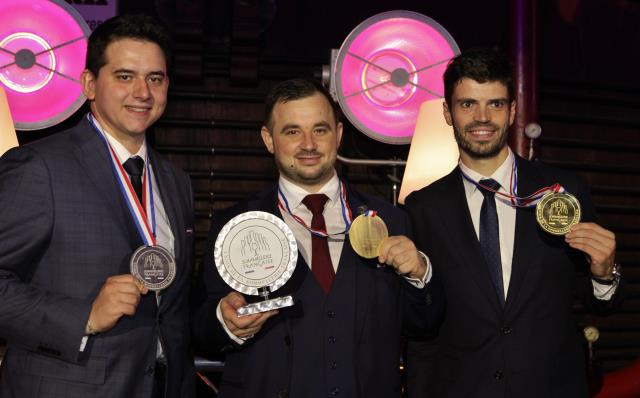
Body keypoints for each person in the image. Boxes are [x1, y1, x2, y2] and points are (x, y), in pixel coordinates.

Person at [191, 78, 441, 397]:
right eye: (292, 131)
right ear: (268, 139)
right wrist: (225, 322)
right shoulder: (235, 224)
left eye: (320, 130)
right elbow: (200, 329)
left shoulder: (390, 219)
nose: (308, 144)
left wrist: (420, 274)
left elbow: (424, 324)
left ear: (337, 134)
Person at [405, 48, 622, 397]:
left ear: (513, 111)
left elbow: (600, 304)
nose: (482, 117)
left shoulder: (564, 193)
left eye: (495, 104)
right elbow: (421, 331)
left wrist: (603, 273)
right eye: (467, 104)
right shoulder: (422, 208)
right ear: (447, 112)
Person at [0, 15, 195, 398]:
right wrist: (83, 318)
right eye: (125, 76)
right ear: (90, 84)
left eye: (155, 78)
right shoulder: (38, 167)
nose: (143, 92)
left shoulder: (176, 181)